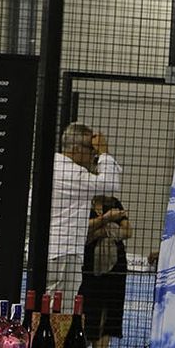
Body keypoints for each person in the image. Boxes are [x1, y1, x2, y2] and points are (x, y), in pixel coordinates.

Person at [47, 123, 121, 297]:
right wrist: (104, 152)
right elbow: (110, 185)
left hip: (55, 250)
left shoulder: (54, 166)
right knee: (60, 309)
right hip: (65, 251)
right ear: (76, 148)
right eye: (91, 148)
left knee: (51, 306)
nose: (93, 154)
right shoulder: (71, 173)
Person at [80, 193, 130, 348]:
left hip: (115, 269)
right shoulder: (83, 200)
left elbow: (127, 231)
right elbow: (82, 230)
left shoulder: (114, 202)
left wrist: (100, 229)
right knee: (88, 316)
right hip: (88, 269)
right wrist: (108, 220)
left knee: (108, 319)